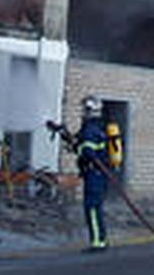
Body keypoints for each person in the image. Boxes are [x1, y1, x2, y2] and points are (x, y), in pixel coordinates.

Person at [50, 97, 123, 251]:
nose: (82, 112)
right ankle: (100, 239)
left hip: (94, 175)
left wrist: (77, 147)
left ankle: (98, 242)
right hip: (97, 174)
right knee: (96, 208)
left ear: (89, 111)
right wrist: (62, 132)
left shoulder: (90, 129)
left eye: (84, 109)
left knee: (92, 208)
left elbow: (86, 151)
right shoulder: (96, 127)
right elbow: (78, 144)